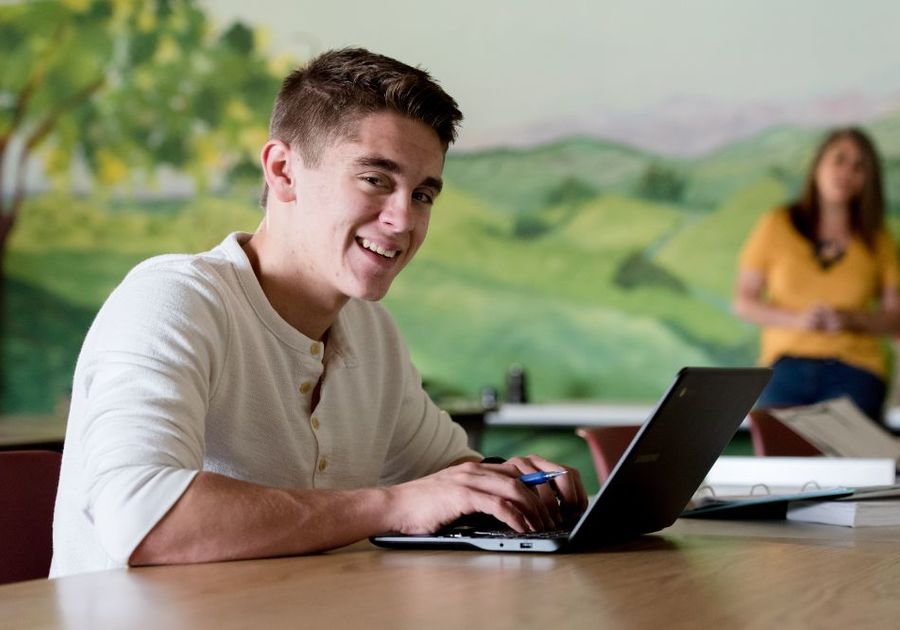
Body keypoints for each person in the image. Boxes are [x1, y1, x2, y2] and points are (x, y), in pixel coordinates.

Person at [50, 48, 587, 577]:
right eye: (377, 179)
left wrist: (509, 482)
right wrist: (392, 506)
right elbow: (143, 521)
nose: (403, 219)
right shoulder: (173, 301)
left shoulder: (370, 332)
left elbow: (443, 476)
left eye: (423, 194)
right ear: (283, 171)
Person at [733, 127, 900, 422]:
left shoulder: (879, 238)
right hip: (785, 367)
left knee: (853, 464)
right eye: (840, 159)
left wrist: (851, 319)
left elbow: (894, 315)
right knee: (779, 461)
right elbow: (744, 300)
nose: (847, 171)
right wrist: (796, 320)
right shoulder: (777, 224)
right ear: (819, 164)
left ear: (867, 179)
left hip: (856, 369)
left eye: (859, 166)